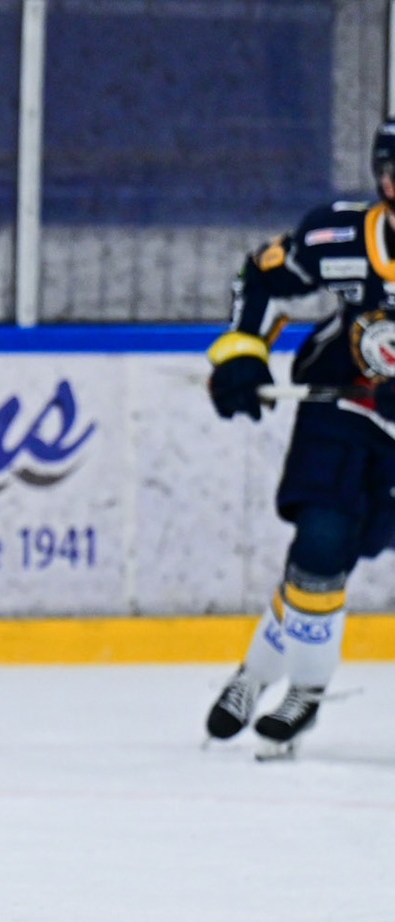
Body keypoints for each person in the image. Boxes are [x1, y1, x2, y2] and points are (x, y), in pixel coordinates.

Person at [203, 120, 395, 754]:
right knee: (320, 545)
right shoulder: (340, 236)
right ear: (383, 179)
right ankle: (303, 693)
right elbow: (261, 279)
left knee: (333, 563)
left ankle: (255, 673)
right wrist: (241, 353)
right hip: (343, 407)